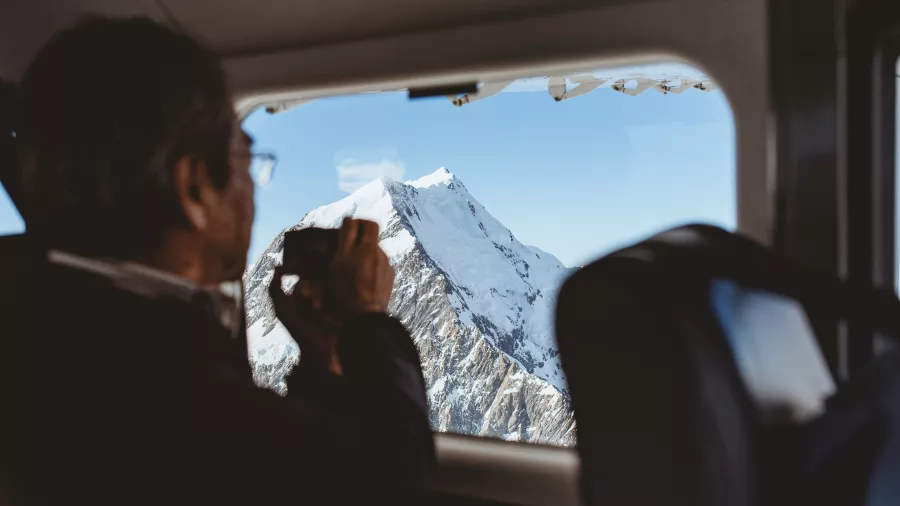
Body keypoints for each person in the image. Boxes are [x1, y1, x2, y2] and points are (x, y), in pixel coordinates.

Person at [1, 16, 433, 505]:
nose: (252, 187)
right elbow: (393, 480)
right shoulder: (155, 384)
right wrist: (369, 320)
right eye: (246, 161)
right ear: (195, 188)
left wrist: (318, 360)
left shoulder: (48, 327)